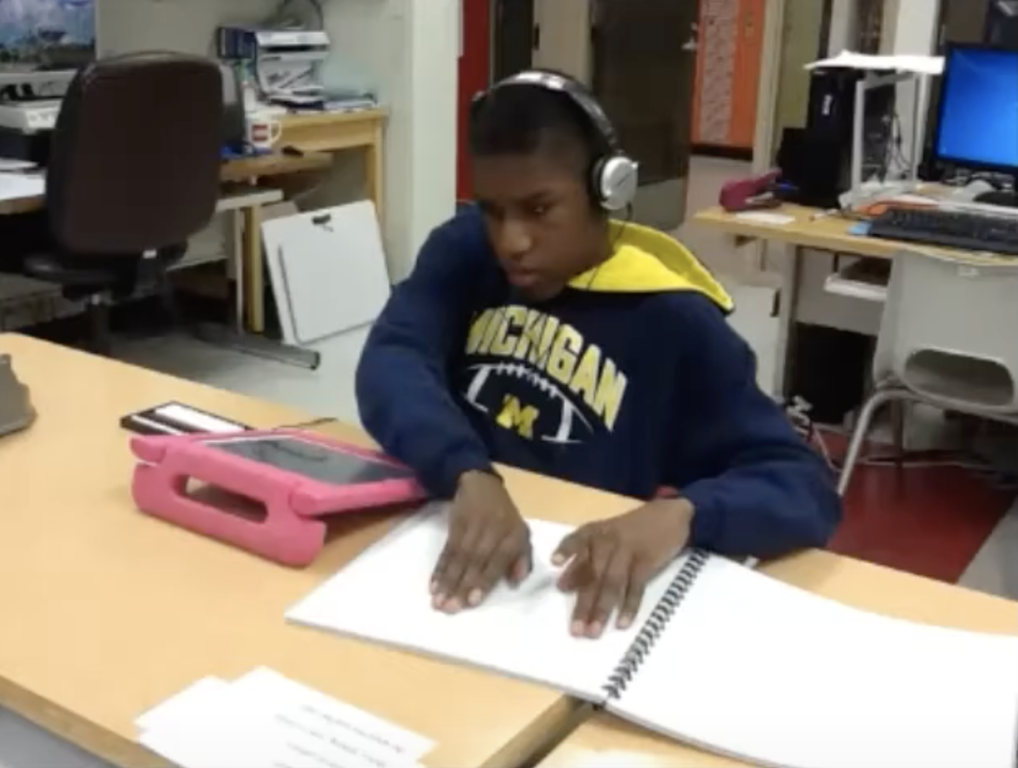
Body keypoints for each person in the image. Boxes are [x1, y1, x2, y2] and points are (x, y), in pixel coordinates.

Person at [356, 71, 841, 639]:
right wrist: (465, 470)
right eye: (493, 210)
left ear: (608, 190)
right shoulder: (465, 251)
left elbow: (801, 484)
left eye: (539, 210)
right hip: (434, 549)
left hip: (555, 604)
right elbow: (393, 357)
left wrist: (684, 513)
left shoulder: (673, 319)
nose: (510, 240)